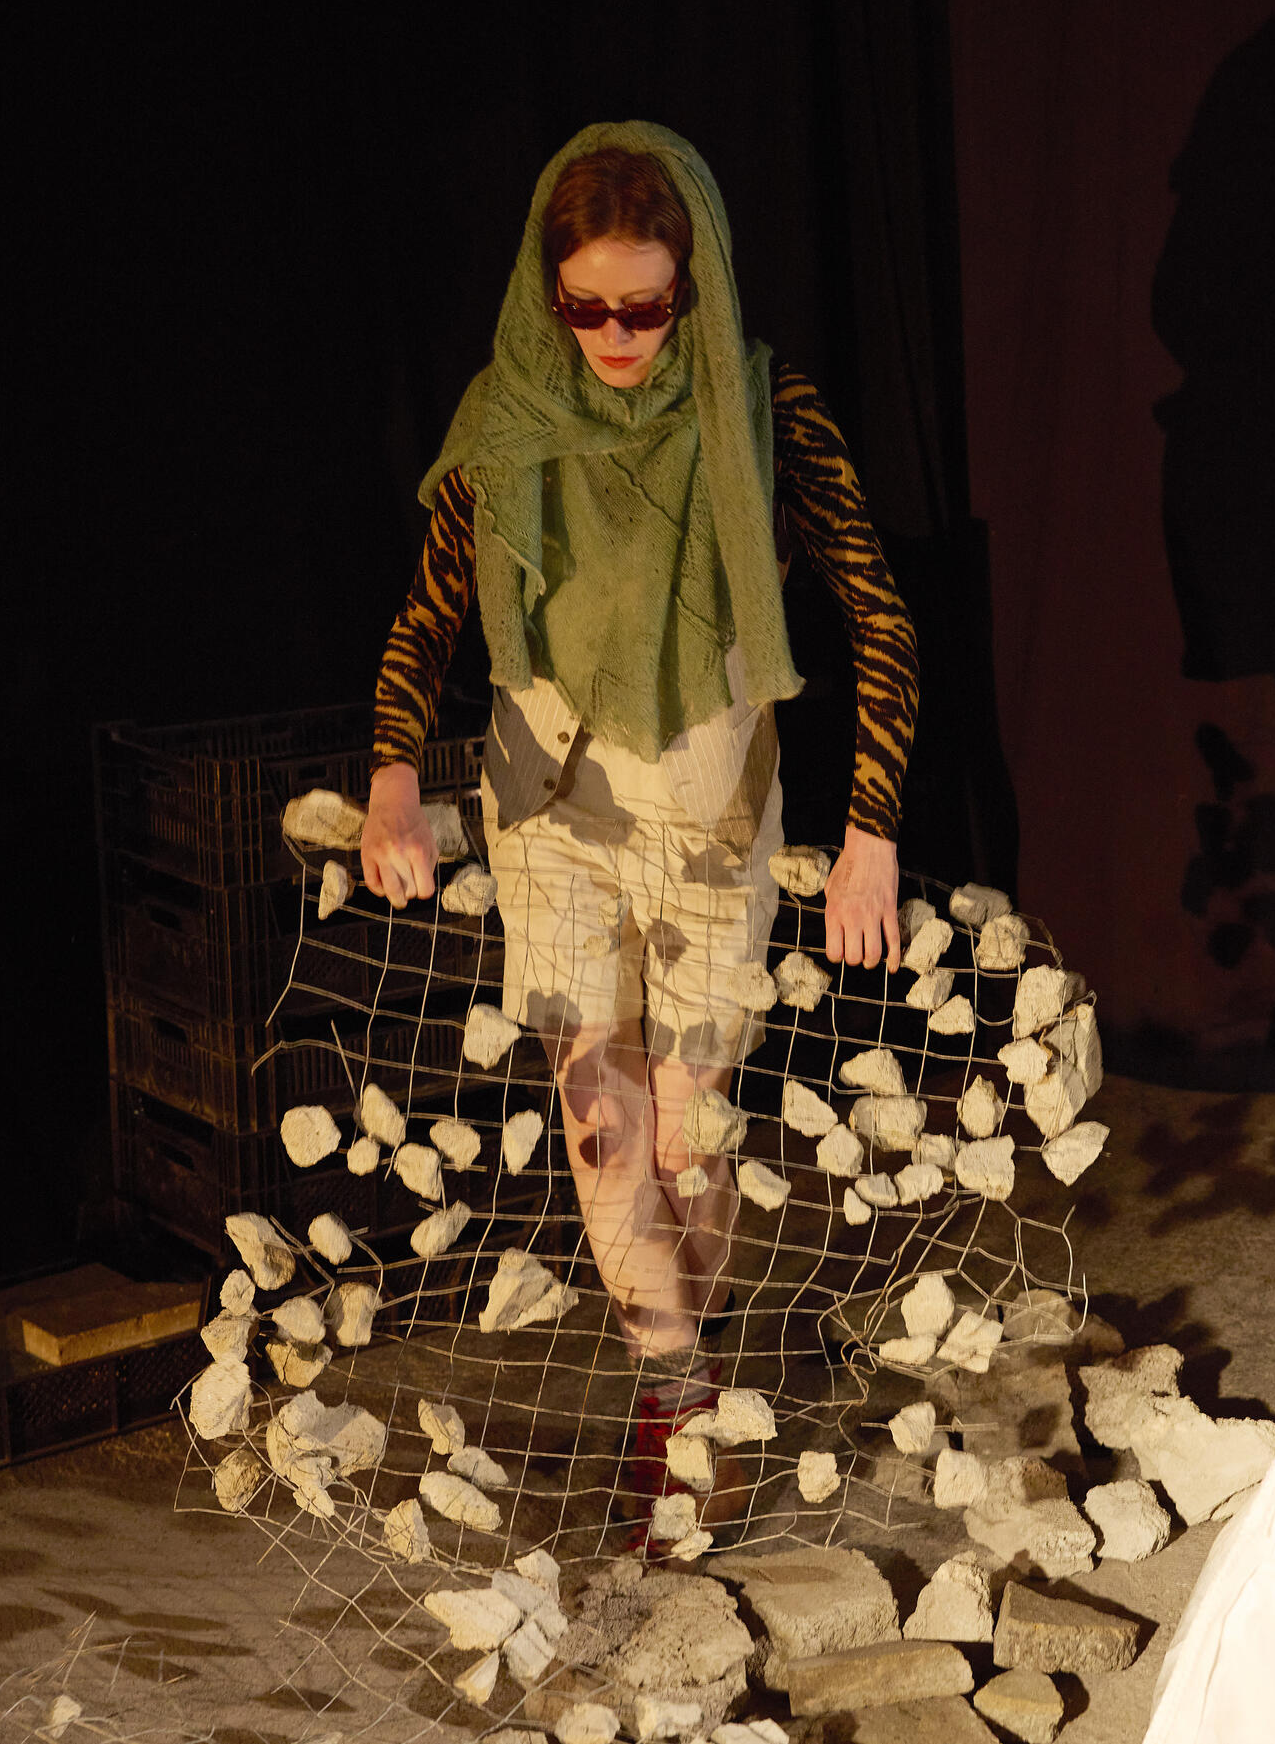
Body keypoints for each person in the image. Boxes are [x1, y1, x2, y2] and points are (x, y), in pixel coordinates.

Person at [361, 121, 918, 1536]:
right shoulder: (510, 411)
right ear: (547, 292)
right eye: (586, 307)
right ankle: (675, 1403)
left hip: (709, 806)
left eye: (646, 307)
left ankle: (688, 1365)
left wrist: (870, 831)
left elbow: (878, 614)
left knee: (686, 1136)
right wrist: (389, 774)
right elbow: (428, 614)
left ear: (694, 285)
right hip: (549, 805)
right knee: (603, 1129)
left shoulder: (762, 408)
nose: (614, 337)